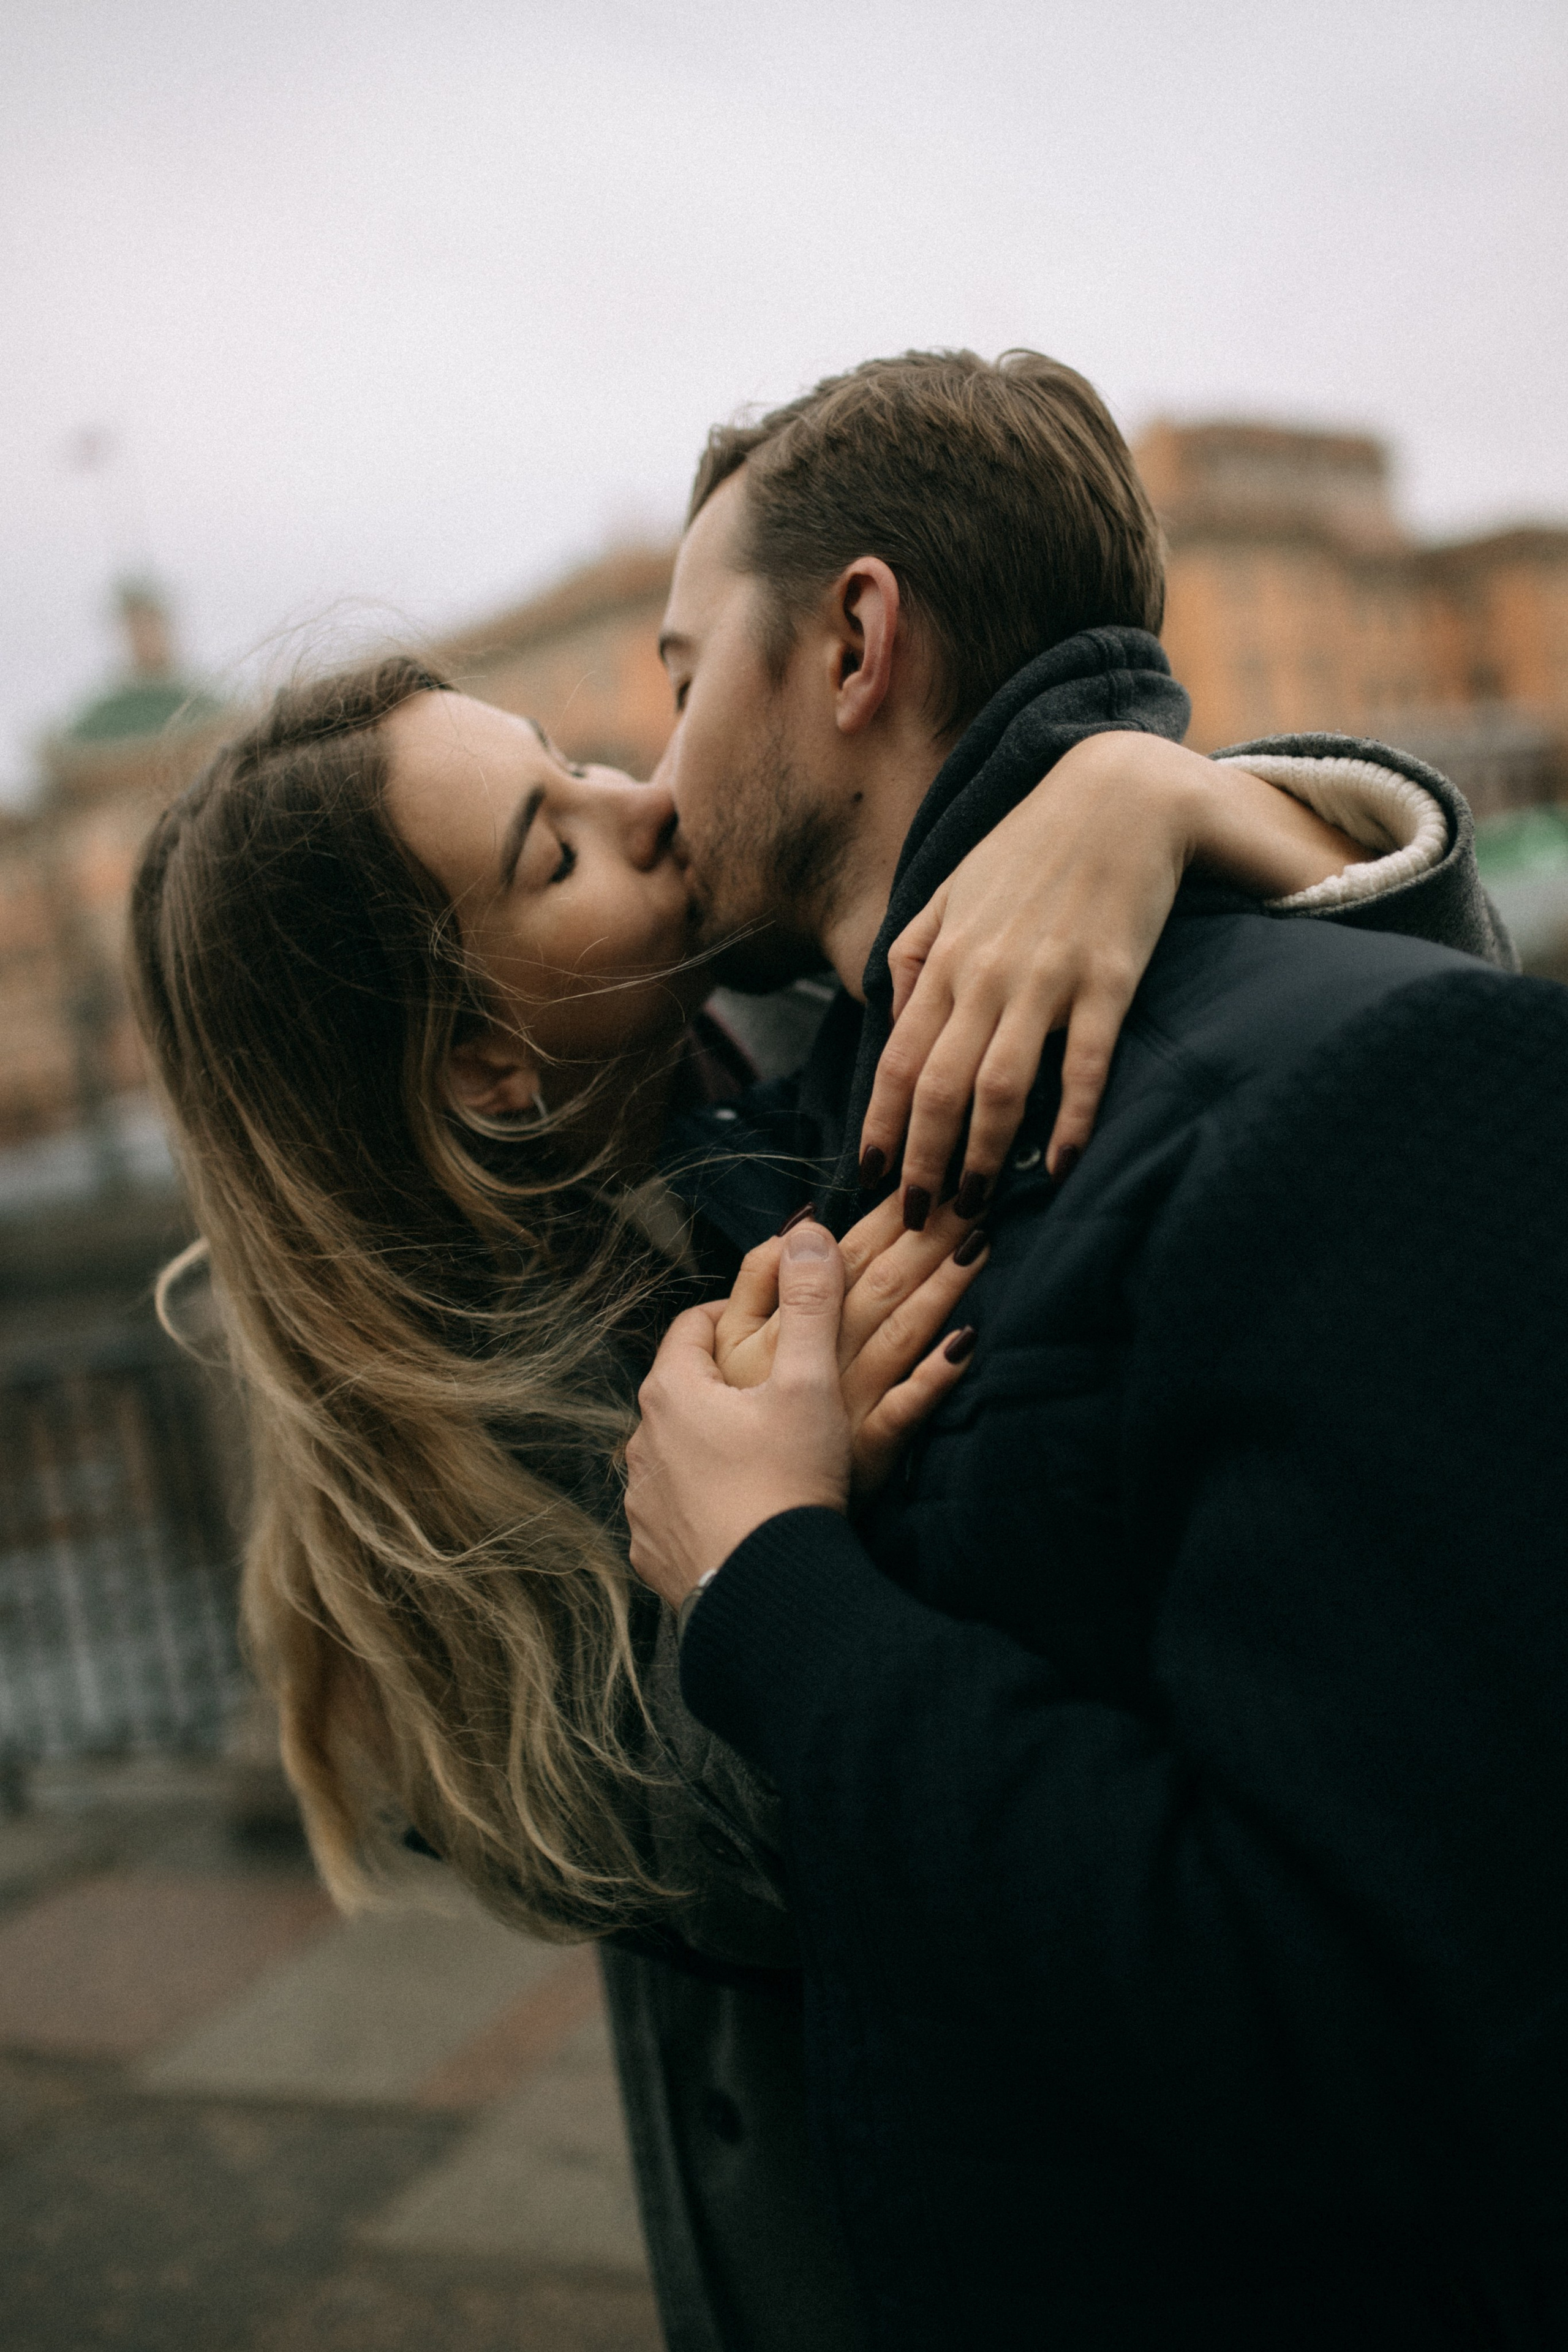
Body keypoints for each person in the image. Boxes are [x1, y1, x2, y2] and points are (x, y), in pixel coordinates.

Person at [127, 375, 1499, 2345]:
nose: (639, 792)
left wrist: (1160, 793)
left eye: (578, 751)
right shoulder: (456, 1421)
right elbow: (743, 1854)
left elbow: (1368, 1069)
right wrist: (781, 1535)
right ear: (494, 1063)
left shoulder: (771, 1018)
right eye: (549, 847)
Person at [624, 347, 1567, 2350]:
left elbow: (1376, 2033)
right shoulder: (851, 1107)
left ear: (855, 640)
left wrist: (774, 1593)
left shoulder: (1380, 1086)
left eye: (684, 672)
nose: (655, 764)